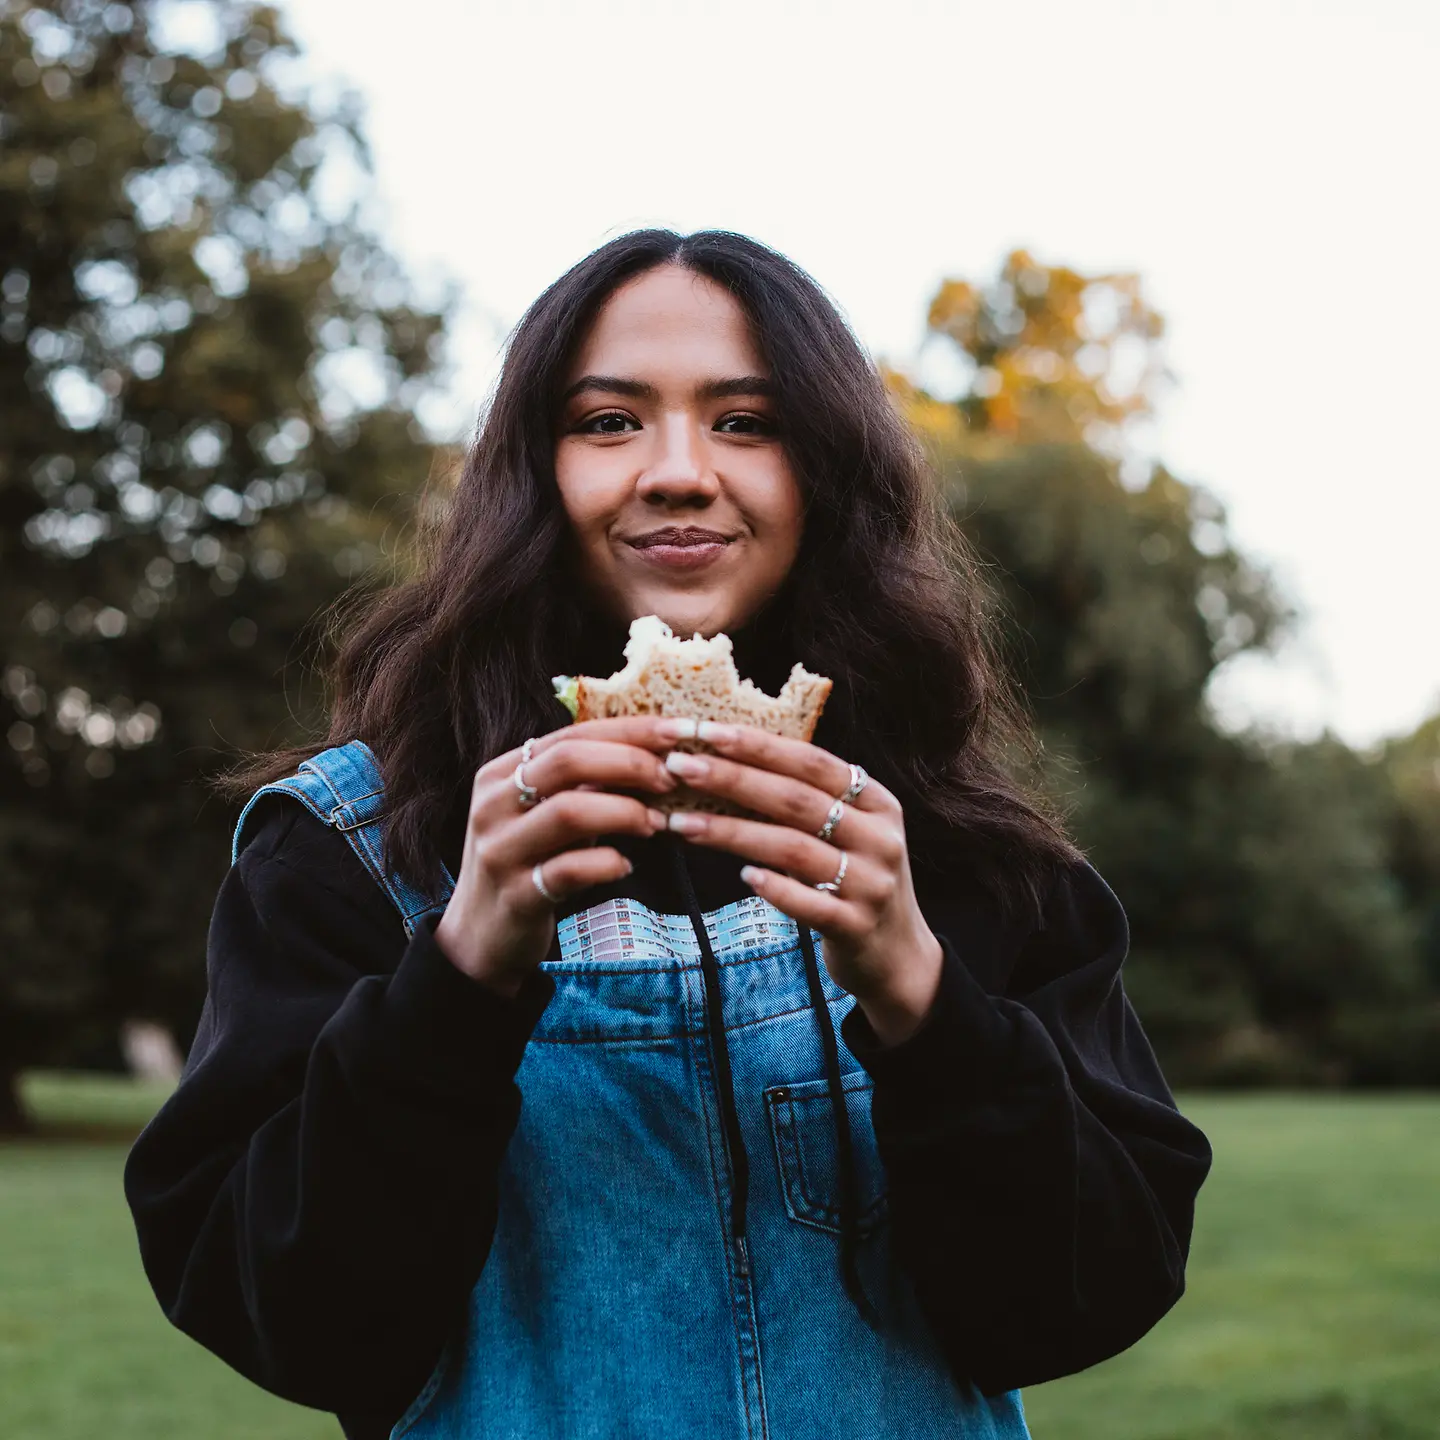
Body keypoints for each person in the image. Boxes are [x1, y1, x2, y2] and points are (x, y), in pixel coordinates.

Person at [125, 230, 1212, 1440]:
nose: (680, 471)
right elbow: (287, 1319)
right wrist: (460, 970)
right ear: (531, 472)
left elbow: (1084, 1304)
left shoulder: (959, 854)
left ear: (829, 473)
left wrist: (918, 992)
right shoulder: (350, 851)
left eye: (747, 421)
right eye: (608, 421)